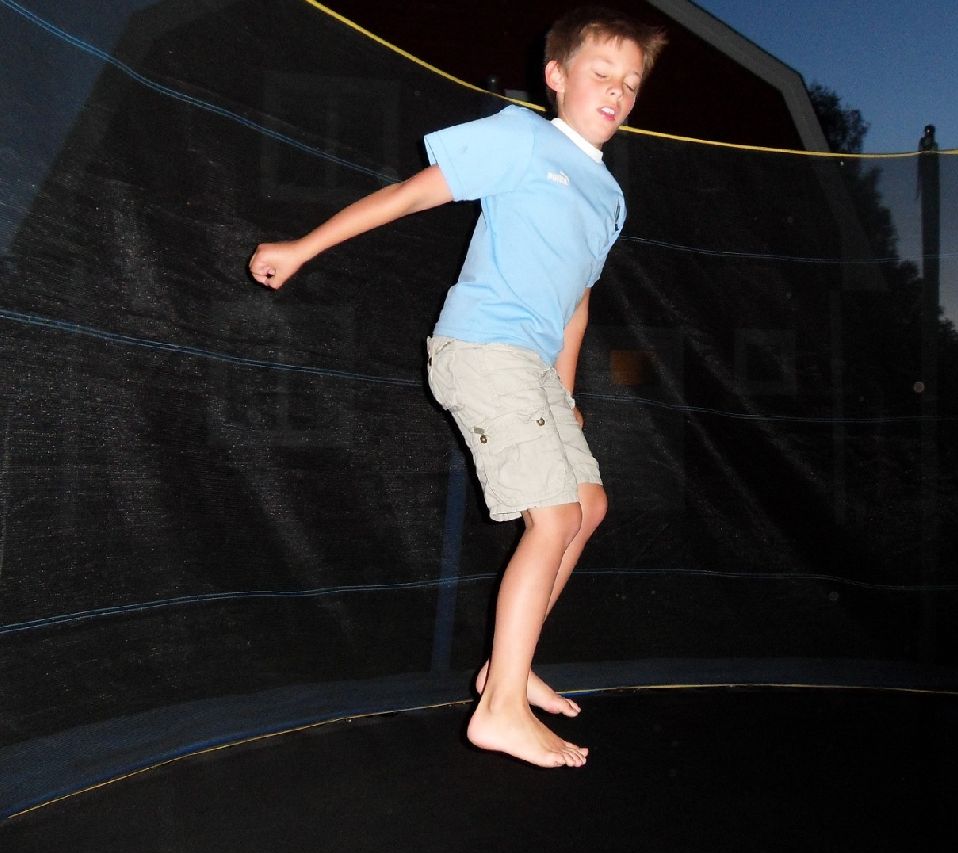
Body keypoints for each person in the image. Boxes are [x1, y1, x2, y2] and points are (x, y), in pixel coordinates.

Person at [248, 8, 667, 768]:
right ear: (557, 77)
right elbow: (413, 194)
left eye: (631, 83)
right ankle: (499, 708)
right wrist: (304, 247)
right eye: (601, 75)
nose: (617, 92)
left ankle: (506, 665)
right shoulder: (520, 139)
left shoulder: (608, 198)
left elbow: (575, 306)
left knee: (589, 507)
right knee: (552, 516)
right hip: (481, 346)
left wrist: (565, 391)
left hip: (534, 365)